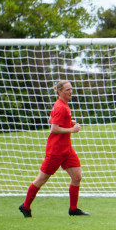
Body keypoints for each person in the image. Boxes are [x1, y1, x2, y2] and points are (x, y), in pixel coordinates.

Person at [18, 80, 89, 218]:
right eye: (67, 90)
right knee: (41, 179)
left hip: (66, 150)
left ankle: (73, 209)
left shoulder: (63, 105)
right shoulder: (60, 107)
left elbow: (51, 119)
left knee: (77, 177)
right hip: (55, 151)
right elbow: (53, 128)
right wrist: (72, 129)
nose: (71, 92)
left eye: (71, 89)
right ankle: (25, 206)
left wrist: (68, 122)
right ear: (60, 92)